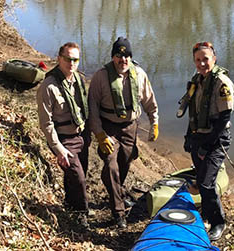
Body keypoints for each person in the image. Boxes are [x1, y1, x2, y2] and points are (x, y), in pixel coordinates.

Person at [88, 37, 159, 228]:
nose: (123, 60)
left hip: (130, 127)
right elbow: (92, 107)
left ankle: (116, 190)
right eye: (119, 56)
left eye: (127, 56)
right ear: (113, 57)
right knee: (111, 165)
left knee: (124, 163)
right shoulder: (101, 76)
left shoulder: (140, 75)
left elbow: (150, 102)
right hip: (109, 127)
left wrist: (154, 123)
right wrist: (99, 134)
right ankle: (119, 212)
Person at [181, 42, 234, 241]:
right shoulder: (197, 81)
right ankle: (206, 212)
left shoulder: (222, 82)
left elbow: (224, 118)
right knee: (203, 178)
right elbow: (193, 113)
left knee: (205, 182)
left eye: (206, 58)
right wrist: (189, 137)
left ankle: (218, 222)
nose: (202, 63)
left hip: (217, 138)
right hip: (198, 135)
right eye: (198, 60)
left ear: (214, 59)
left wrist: (207, 145)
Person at [37, 42, 93, 229]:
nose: (72, 63)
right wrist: (58, 149)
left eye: (75, 59)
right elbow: (46, 123)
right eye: (68, 58)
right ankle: (81, 213)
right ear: (59, 58)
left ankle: (70, 203)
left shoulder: (78, 79)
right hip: (63, 139)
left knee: (78, 172)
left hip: (81, 135)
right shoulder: (48, 86)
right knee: (78, 177)